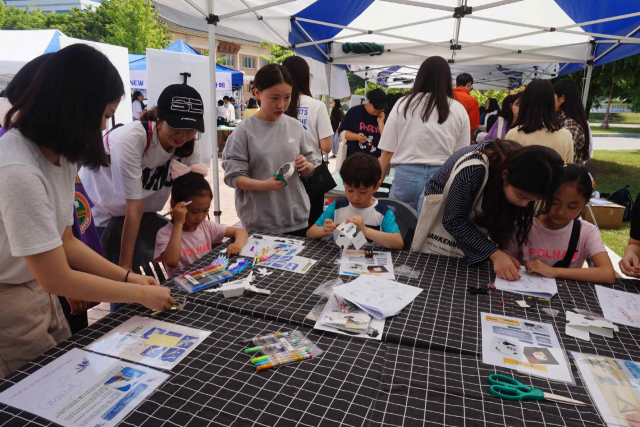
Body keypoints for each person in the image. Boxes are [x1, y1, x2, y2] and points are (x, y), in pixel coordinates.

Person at [0, 44, 174, 379]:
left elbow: (67, 241)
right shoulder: (17, 168)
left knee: (65, 374)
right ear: (75, 107)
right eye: (106, 114)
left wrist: (129, 276)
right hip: (9, 298)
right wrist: (139, 293)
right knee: (37, 389)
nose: (105, 126)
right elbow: (56, 276)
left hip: (36, 287)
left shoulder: (60, 155)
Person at [79, 83, 205, 271]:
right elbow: (134, 207)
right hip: (101, 215)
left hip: (142, 217)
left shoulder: (187, 146)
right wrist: (125, 266)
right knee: (114, 282)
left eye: (190, 128)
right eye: (176, 125)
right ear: (159, 117)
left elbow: (191, 196)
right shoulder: (131, 139)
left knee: (145, 280)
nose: (182, 135)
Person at [418, 139, 564, 280]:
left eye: (531, 201)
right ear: (505, 175)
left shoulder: (520, 167)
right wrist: (494, 253)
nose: (524, 205)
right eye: (521, 196)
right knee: (439, 270)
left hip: (463, 215)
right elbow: (453, 220)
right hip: (442, 211)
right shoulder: (474, 168)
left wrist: (498, 254)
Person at [222, 64, 319, 237]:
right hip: (259, 223)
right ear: (257, 93)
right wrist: (265, 185)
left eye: (287, 97)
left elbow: (312, 166)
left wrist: (306, 166)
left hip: (297, 218)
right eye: (274, 98)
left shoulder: (295, 127)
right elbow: (233, 177)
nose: (281, 105)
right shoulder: (244, 131)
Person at [378, 56, 470, 211]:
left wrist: (379, 179)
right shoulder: (458, 109)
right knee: (430, 233)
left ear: (420, 77)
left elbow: (388, 149)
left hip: (406, 175)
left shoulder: (404, 104)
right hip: (442, 178)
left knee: (399, 228)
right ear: (448, 79)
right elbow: (460, 155)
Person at [504, 164, 614, 284]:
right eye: (555, 203)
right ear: (545, 196)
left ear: (584, 204)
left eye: (572, 206)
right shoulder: (525, 224)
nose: (561, 212)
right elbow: (506, 259)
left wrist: (554, 271)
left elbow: (607, 273)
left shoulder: (586, 232)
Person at [154, 161, 248, 277]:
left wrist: (237, 244)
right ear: (175, 205)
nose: (200, 217)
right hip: (181, 287)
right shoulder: (165, 233)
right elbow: (172, 262)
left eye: (206, 210)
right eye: (194, 212)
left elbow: (241, 231)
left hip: (207, 279)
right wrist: (178, 223)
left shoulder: (205, 226)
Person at [307, 153, 403, 249]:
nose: (355, 197)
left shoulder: (382, 212)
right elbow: (310, 233)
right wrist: (323, 230)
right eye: (350, 190)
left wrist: (365, 231)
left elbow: (398, 243)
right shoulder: (337, 206)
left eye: (362, 192)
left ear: (376, 187)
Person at [282, 56, 333, 226]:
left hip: (285, 173)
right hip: (311, 175)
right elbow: (327, 147)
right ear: (306, 78)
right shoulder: (317, 106)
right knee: (311, 224)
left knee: (289, 223)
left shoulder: (278, 105)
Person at [505, 79, 574, 164]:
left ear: (526, 102)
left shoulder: (513, 135)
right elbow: (568, 170)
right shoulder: (566, 136)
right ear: (551, 102)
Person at [338, 88, 387, 158]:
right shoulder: (354, 112)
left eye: (381, 108)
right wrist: (356, 137)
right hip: (354, 160)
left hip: (375, 162)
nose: (379, 110)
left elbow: (387, 141)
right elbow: (341, 132)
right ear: (369, 102)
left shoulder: (383, 117)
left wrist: (381, 123)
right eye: (376, 108)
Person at [554, 79, 590, 164]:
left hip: (567, 174)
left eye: (552, 96)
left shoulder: (570, 124)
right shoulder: (563, 119)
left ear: (562, 98)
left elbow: (563, 155)